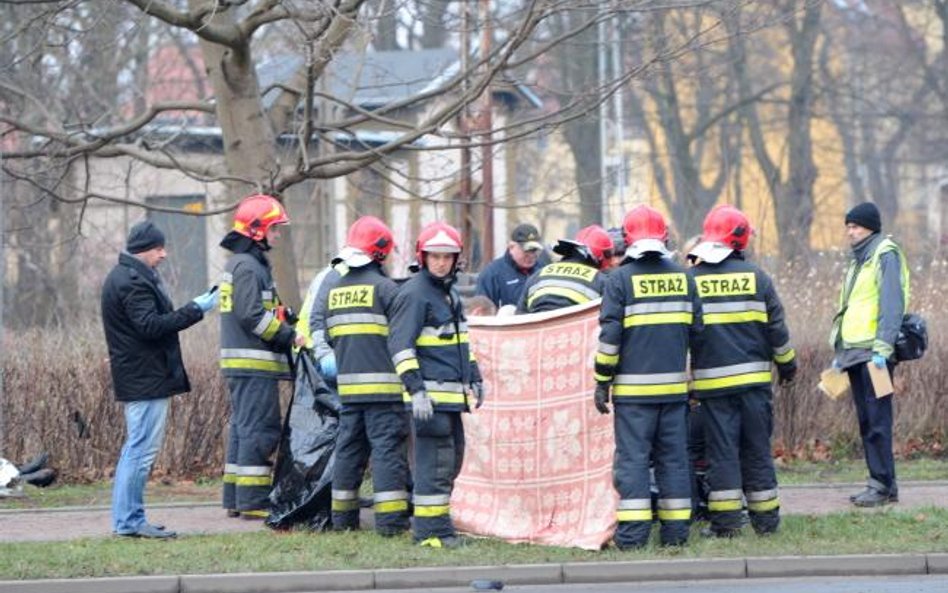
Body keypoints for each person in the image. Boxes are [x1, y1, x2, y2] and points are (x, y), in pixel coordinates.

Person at [593, 205, 702, 549]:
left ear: (627, 239)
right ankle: (675, 535)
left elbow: (610, 339)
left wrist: (601, 380)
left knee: (634, 464)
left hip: (633, 396)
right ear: (664, 236)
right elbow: (698, 333)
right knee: (674, 462)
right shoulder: (685, 277)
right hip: (673, 393)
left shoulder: (619, 280)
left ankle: (633, 537)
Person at [101, 220, 218, 538]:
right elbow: (151, 326)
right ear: (144, 250)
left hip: (142, 377)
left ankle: (129, 519)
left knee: (135, 450)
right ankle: (129, 522)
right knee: (139, 452)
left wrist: (195, 306)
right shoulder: (131, 282)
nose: (164, 254)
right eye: (158, 248)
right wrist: (198, 307)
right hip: (146, 379)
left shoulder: (126, 276)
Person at [687, 204, 797, 537]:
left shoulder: (690, 280)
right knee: (757, 451)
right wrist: (787, 366)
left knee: (722, 455)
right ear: (741, 240)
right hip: (755, 385)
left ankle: (726, 525)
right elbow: (777, 330)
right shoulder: (758, 278)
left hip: (714, 387)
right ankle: (766, 522)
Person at [388, 222, 484, 548]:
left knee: (451, 462)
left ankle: (439, 527)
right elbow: (401, 346)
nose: (442, 262)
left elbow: (461, 343)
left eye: (448, 256)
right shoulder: (415, 294)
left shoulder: (449, 293)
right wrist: (416, 389)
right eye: (435, 256)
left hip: (451, 396)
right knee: (435, 465)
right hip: (429, 397)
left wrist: (474, 376)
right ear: (423, 257)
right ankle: (431, 533)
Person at [219, 194, 306, 520]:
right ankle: (254, 500)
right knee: (260, 429)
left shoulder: (242, 264)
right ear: (257, 230)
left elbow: (258, 309)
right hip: (253, 365)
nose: (277, 235)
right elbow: (252, 316)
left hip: (244, 365)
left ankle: (236, 497)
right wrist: (289, 334)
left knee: (244, 429)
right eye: (274, 228)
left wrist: (284, 314)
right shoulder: (247, 267)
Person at [326, 216, 411, 536]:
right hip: (385, 392)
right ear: (380, 252)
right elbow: (402, 338)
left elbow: (333, 337)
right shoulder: (387, 289)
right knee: (387, 453)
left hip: (349, 391)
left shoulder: (335, 291)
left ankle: (343, 521)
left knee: (349, 452)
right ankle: (391, 524)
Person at [829, 202, 908, 507]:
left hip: (876, 357)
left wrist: (883, 349)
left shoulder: (884, 254)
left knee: (878, 421)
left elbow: (891, 303)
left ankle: (883, 485)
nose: (851, 231)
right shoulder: (858, 260)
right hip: (855, 353)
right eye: (848, 226)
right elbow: (849, 308)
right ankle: (881, 483)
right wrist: (840, 349)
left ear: (871, 227)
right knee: (866, 420)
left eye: (856, 226)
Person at [517, 224, 613, 314]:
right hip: (576, 331)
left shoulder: (538, 276)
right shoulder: (601, 281)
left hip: (536, 330)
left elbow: (520, 318)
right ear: (603, 255)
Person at [475, 223, 548, 308]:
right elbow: (483, 310)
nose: (531, 255)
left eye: (534, 250)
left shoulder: (543, 270)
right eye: (527, 250)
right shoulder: (492, 274)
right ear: (511, 247)